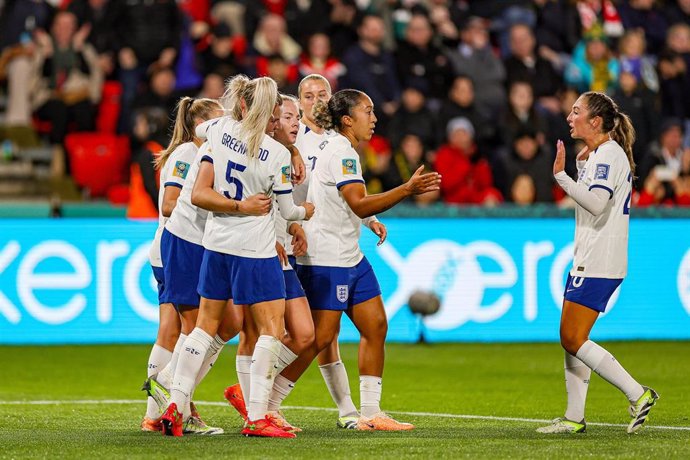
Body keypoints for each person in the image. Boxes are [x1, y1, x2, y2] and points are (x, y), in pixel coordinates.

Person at [161, 76, 314, 439]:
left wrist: (239, 112)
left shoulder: (219, 129)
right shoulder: (275, 154)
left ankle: (175, 406)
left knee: (204, 327)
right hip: (255, 251)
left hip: (215, 245)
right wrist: (306, 212)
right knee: (271, 330)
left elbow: (199, 127)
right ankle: (258, 416)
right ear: (271, 111)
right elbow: (286, 209)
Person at [281, 88, 440, 431]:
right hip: (326, 257)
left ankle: (371, 411)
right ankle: (266, 401)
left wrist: (369, 222)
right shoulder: (341, 153)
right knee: (319, 339)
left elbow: (353, 204)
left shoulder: (343, 150)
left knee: (376, 326)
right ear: (348, 120)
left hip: (350, 256)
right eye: (368, 111)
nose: (375, 118)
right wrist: (406, 190)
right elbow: (359, 203)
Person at [538, 91, 658, 435]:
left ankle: (639, 393)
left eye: (576, 112)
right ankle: (575, 417)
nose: (569, 116)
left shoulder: (608, 155)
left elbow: (595, 204)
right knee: (572, 339)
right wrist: (578, 168)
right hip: (590, 257)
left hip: (599, 261)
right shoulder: (599, 156)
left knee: (572, 338)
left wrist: (561, 176)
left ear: (595, 121)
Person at [141, 97, 224, 434]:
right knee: (198, 329)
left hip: (178, 249)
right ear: (201, 125)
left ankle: (155, 414)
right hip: (177, 249)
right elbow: (169, 204)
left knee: (172, 331)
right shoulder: (188, 154)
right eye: (219, 120)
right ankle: (179, 406)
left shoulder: (204, 155)